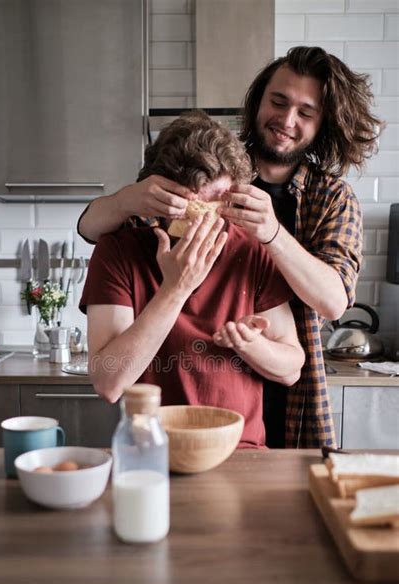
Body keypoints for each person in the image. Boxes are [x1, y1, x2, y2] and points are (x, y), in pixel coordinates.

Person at [77, 46, 383, 448]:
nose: (287, 120)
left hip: (274, 421)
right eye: (278, 101)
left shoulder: (322, 205)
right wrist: (174, 280)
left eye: (306, 113)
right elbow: (89, 227)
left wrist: (272, 236)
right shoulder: (131, 238)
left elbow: (330, 309)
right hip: (155, 445)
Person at [80, 111, 305, 448]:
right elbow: (109, 382)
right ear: (158, 197)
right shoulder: (119, 251)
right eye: (190, 208)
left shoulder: (252, 251)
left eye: (217, 205)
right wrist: (176, 288)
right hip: (150, 450)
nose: (207, 224)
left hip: (240, 451)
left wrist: (249, 344)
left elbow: (291, 368)